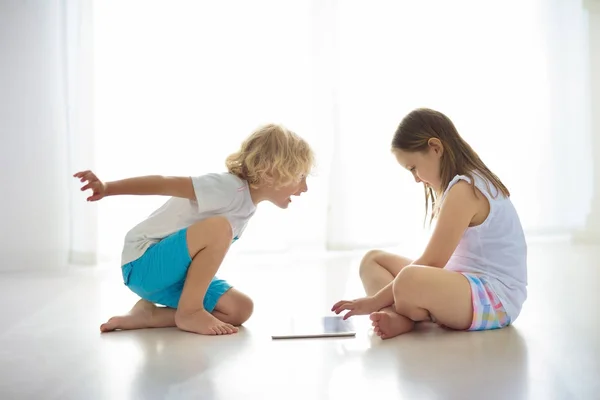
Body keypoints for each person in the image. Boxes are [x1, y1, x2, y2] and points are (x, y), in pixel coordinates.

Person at [75, 123, 314, 336]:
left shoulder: (247, 206)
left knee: (241, 309)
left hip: (171, 278)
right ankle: (190, 312)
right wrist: (107, 187)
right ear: (272, 172)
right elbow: (164, 182)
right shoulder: (228, 188)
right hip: (141, 264)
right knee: (220, 228)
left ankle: (149, 316)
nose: (304, 187)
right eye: (300, 176)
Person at [332, 108, 527, 339]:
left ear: (435, 148)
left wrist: (373, 301)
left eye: (413, 168)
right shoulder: (458, 186)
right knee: (372, 260)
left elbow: (433, 262)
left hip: (494, 300)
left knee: (409, 279)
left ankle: (400, 316)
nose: (415, 178)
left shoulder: (466, 189)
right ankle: (396, 317)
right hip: (464, 283)